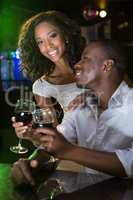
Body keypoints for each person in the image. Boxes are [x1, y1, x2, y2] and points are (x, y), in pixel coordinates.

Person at [11, 40, 133, 186]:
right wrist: (30, 164)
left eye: (85, 59)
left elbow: (130, 163)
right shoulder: (79, 106)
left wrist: (69, 151)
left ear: (106, 66)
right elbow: (57, 141)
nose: (76, 65)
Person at [17, 10, 86, 122]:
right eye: (40, 42)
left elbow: (123, 92)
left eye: (52, 36)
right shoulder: (42, 85)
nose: (48, 46)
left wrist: (90, 98)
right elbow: (53, 134)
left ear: (65, 35)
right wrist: (32, 136)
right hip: (78, 139)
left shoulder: (95, 62)